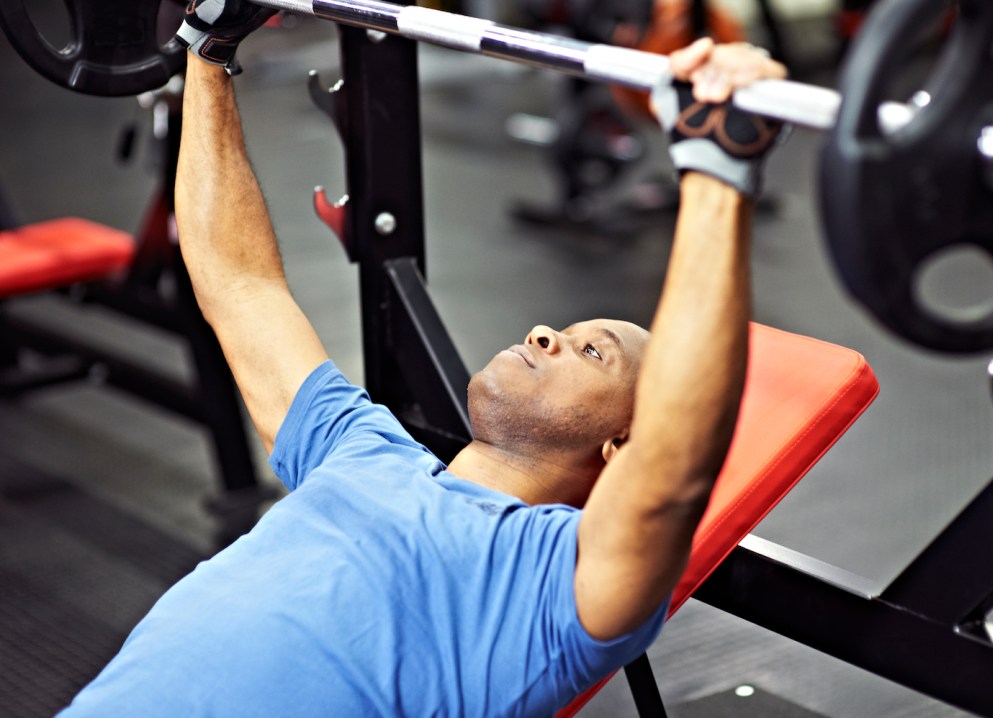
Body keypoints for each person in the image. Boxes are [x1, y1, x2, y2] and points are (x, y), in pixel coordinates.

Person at [60, 2, 787, 716]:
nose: (543, 333)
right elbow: (240, 286)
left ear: (621, 442)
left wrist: (717, 172)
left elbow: (672, 471)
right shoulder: (357, 449)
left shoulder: (554, 590)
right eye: (563, 329)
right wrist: (207, 50)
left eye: (591, 351)